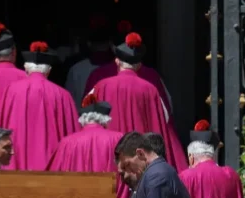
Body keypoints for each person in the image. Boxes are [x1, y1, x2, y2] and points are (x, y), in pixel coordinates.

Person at [85, 32, 188, 172]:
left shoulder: (101, 86)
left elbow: (86, 116)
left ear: (117, 61)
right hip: (141, 159)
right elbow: (165, 118)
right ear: (139, 65)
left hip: (109, 156)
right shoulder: (151, 89)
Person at [0, 41, 79, 171]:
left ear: (26, 68)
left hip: (14, 159)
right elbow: (72, 135)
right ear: (49, 71)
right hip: (50, 165)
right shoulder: (63, 95)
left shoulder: (11, 91)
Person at [84, 20, 174, 117]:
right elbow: (166, 112)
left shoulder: (98, 77)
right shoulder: (152, 76)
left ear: (112, 47)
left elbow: (87, 112)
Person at [65, 15, 114, 107]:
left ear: (89, 43)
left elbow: (69, 99)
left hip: (83, 114)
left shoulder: (76, 69)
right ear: (110, 43)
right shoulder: (120, 69)